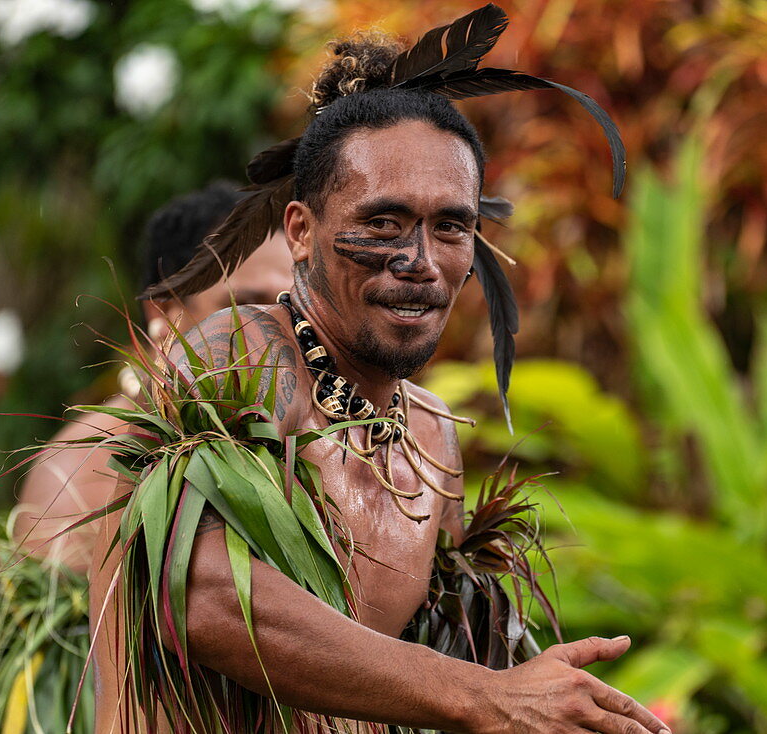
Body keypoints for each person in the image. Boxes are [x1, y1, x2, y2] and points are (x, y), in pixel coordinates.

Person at [88, 7, 668, 733]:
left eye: (450, 226)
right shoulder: (236, 353)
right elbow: (200, 597)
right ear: (300, 231)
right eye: (382, 223)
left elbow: (424, 680)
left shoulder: (432, 439)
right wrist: (484, 696)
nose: (419, 263)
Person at [14, 182, 293, 573]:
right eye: (245, 305)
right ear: (164, 312)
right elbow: (86, 625)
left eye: (289, 307)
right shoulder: (80, 467)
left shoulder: (312, 438)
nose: (277, 329)